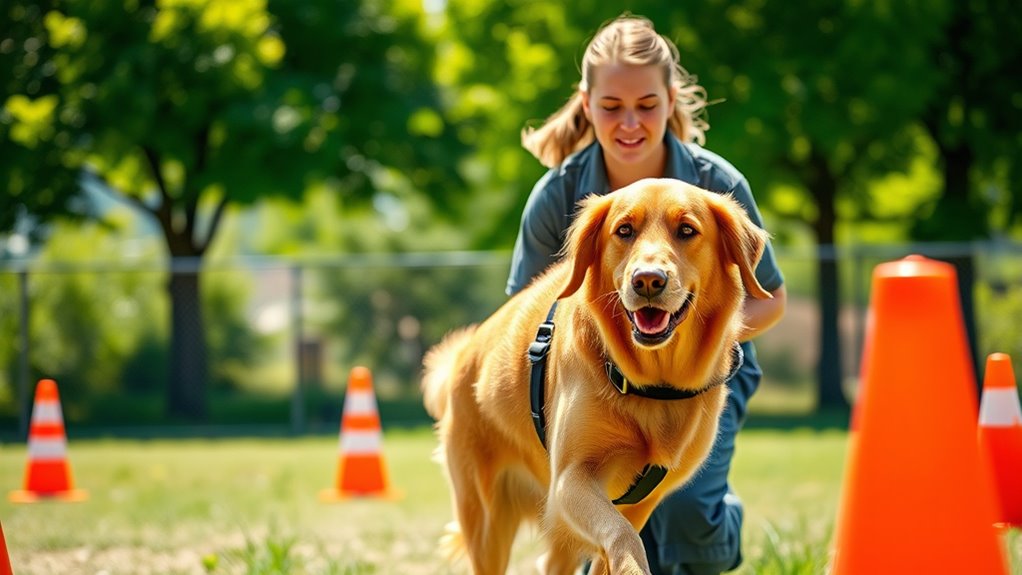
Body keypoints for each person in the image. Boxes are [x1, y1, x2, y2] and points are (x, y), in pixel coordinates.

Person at [506, 14, 787, 575]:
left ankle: (713, 524)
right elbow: (524, 313)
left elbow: (770, 298)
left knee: (688, 533)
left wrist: (699, 336)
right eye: (612, 106)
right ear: (586, 104)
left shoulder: (718, 186)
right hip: (591, 383)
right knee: (604, 527)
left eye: (646, 105)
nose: (629, 122)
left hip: (703, 377)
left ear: (670, 99)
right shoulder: (557, 195)